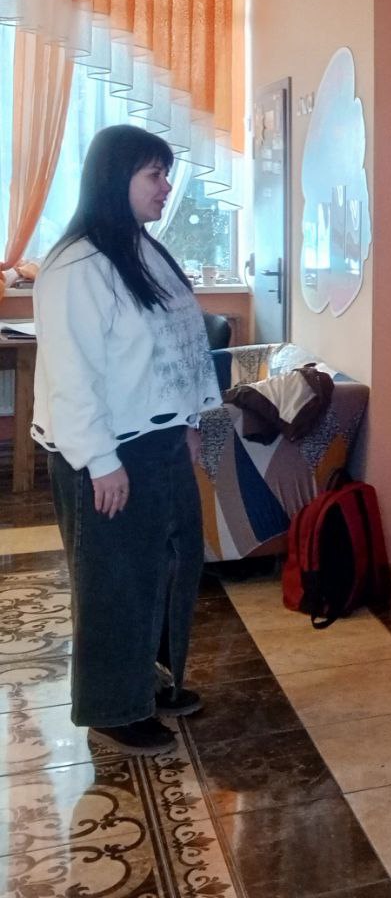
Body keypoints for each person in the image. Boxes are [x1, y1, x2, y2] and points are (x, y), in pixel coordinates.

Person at [33, 126, 220, 756]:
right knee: (115, 581)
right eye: (154, 175)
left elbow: (182, 346)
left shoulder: (144, 250)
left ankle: (151, 681)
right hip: (108, 453)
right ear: (116, 180)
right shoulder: (75, 266)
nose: (167, 187)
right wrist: (101, 461)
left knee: (172, 567)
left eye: (166, 173)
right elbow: (72, 374)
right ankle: (113, 708)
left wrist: (190, 421)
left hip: (161, 442)